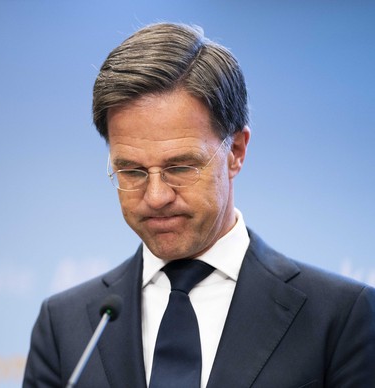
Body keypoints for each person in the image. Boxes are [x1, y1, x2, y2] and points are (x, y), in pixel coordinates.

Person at [22, 22, 375, 388]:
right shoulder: (65, 326)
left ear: (236, 151)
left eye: (180, 167)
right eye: (132, 171)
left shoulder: (341, 316)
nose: (156, 196)